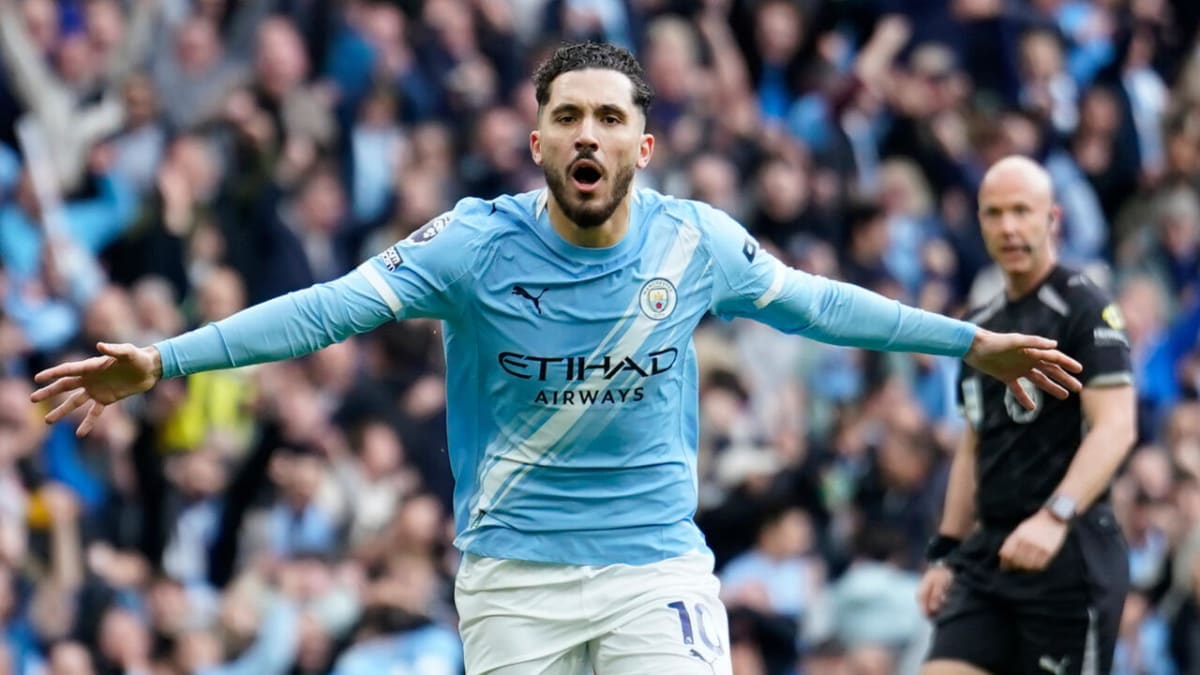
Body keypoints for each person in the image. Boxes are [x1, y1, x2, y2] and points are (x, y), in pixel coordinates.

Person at [31, 44, 1084, 674]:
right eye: (567, 116)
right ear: (537, 141)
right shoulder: (473, 244)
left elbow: (818, 304)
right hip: (513, 579)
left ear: (642, 145)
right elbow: (327, 311)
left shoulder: (695, 241)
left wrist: (969, 341)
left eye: (609, 118)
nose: (588, 133)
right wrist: (166, 362)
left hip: (653, 572)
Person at [917, 155, 1136, 675]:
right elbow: (975, 440)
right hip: (989, 554)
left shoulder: (1086, 307)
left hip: (1068, 552)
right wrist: (946, 550)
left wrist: (1054, 517)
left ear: (1051, 218)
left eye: (1022, 210)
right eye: (994, 213)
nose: (1009, 227)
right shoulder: (981, 325)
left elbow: (1117, 427)